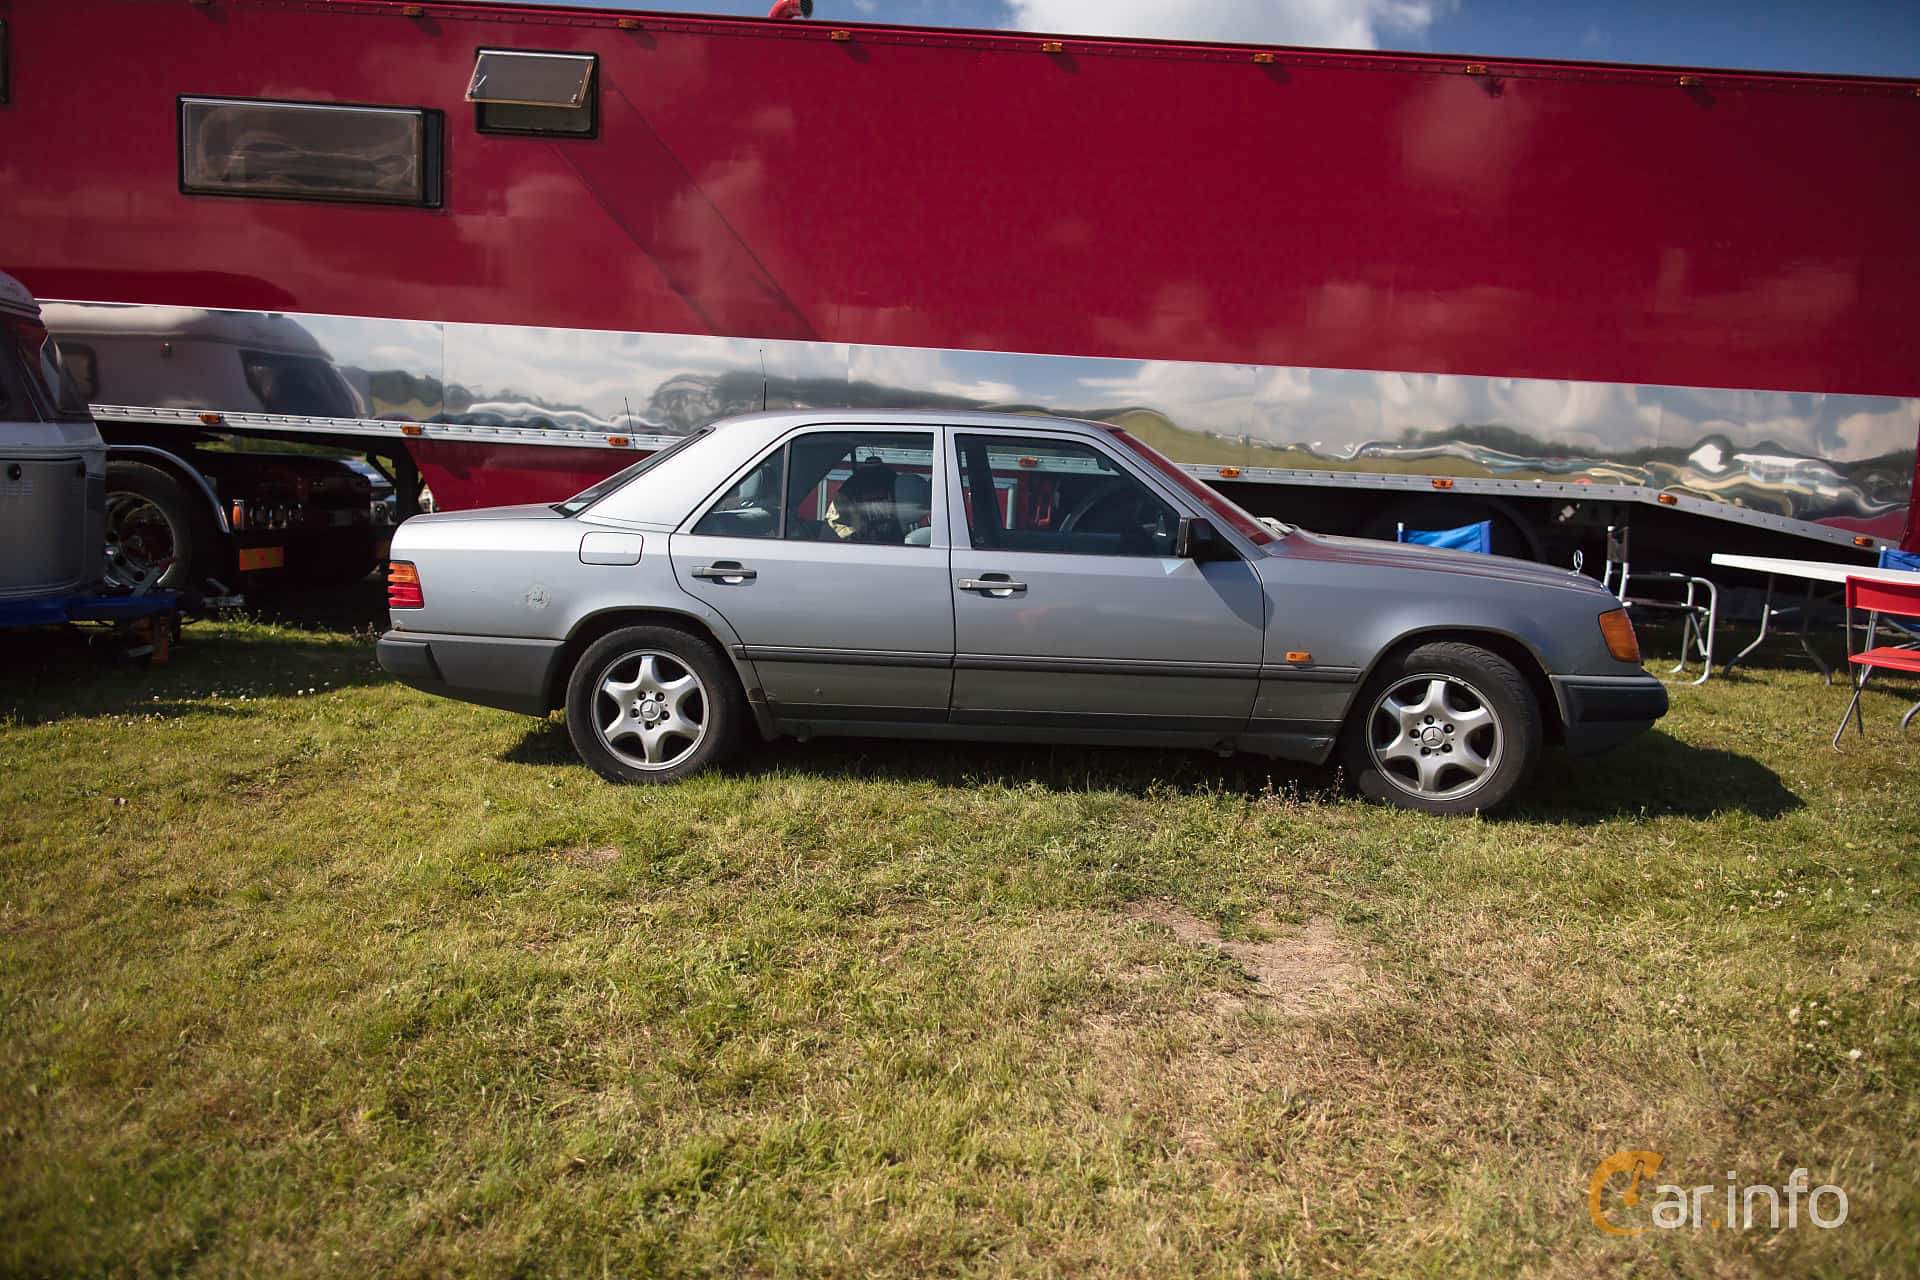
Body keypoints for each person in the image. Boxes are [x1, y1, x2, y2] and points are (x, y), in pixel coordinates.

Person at [824, 459, 903, 543]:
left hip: (888, 545)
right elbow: (834, 523)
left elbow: (833, 523)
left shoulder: (848, 488)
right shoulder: (898, 483)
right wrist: (855, 536)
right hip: (893, 546)